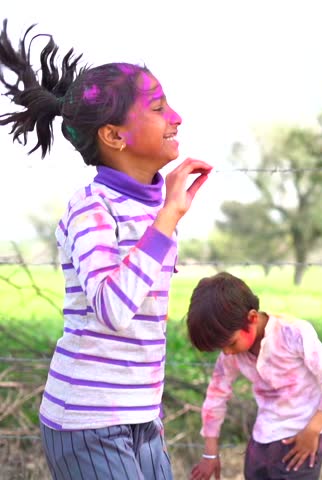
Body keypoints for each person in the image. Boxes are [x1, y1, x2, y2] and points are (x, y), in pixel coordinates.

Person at [0, 19, 211, 479]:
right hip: (87, 420)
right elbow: (113, 309)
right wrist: (168, 217)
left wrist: (165, 214)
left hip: (141, 416)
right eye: (159, 108)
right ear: (114, 136)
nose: (176, 117)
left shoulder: (152, 208)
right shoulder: (92, 208)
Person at [185, 272, 322, 480]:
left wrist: (313, 431)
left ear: (252, 318)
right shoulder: (232, 353)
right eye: (221, 348)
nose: (226, 352)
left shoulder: (293, 334)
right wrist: (210, 453)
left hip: (301, 439)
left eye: (231, 343)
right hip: (263, 437)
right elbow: (215, 397)